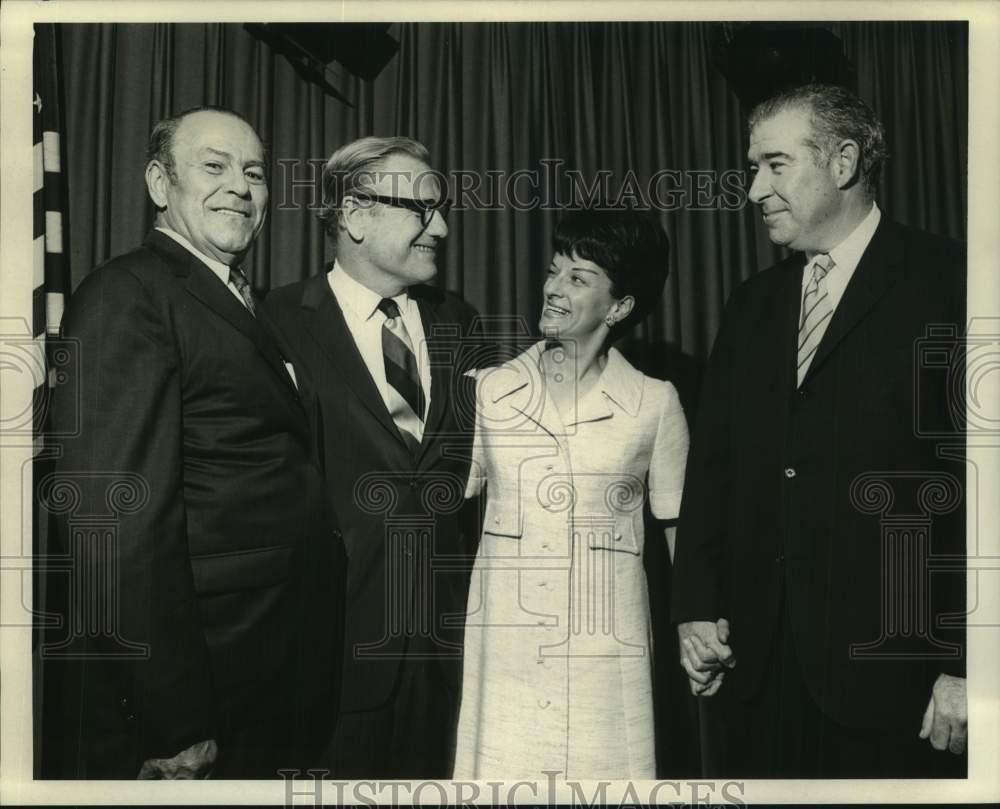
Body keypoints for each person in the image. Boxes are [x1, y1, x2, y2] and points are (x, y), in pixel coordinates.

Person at [671, 84, 967, 777]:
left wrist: (969, 666)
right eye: (753, 168)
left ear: (842, 161)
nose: (753, 191)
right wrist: (695, 608)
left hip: (903, 683)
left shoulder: (953, 283)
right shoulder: (750, 306)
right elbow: (711, 473)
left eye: (775, 165)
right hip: (759, 676)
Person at [42, 106, 344, 779]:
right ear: (159, 183)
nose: (240, 186)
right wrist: (173, 718)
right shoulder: (129, 294)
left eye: (255, 173)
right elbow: (112, 519)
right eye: (214, 166)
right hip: (202, 692)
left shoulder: (245, 304)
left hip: (269, 676)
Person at [263, 136, 479, 778]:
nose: (439, 227)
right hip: (331, 655)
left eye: (440, 210)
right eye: (421, 210)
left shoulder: (459, 322)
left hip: (449, 651)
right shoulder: (275, 321)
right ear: (354, 217)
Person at [452, 209, 689, 780]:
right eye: (555, 271)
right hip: (507, 650)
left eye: (578, 279)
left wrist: (694, 629)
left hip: (607, 657)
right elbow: (440, 508)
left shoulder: (656, 404)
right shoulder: (488, 391)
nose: (554, 289)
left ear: (620, 306)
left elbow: (683, 537)